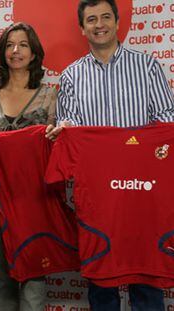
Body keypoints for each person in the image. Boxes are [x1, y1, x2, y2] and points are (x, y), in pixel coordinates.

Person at [46, 0, 174, 310]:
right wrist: (61, 133)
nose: (99, 24)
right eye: (91, 19)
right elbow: (69, 127)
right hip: (98, 194)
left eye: (105, 17)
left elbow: (168, 120)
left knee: (146, 276)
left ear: (117, 22)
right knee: (102, 279)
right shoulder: (71, 77)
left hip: (142, 191)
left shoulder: (147, 66)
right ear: (82, 28)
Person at [0, 22, 57, 311]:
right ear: (1, 52)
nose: (15, 51)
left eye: (22, 45)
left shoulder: (49, 95)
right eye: (9, 45)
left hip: (35, 198)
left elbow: (56, 147)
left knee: (35, 275)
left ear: (34, 53)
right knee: (2, 275)